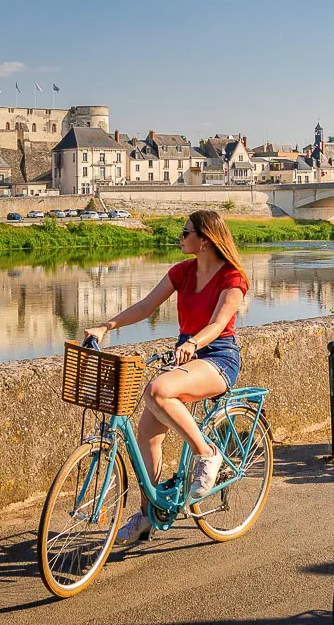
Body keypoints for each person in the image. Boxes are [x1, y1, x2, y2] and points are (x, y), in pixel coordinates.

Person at [84, 209, 249, 544]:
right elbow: (145, 307)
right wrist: (105, 327)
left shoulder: (232, 278)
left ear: (204, 240)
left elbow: (218, 325)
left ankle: (207, 453)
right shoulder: (182, 272)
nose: (180, 237)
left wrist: (193, 341)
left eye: (185, 232)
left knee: (157, 390)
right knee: (147, 435)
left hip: (218, 356)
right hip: (185, 354)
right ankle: (149, 513)